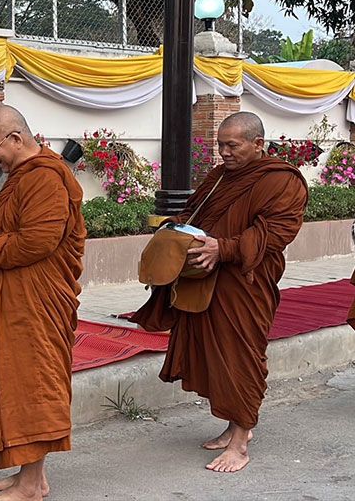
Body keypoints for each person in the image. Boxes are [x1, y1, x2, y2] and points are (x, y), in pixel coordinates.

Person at [131, 111, 308, 473]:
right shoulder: (220, 177)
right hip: (206, 283)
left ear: (258, 144)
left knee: (239, 356)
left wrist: (222, 249)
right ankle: (233, 427)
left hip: (244, 284)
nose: (224, 153)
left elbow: (275, 233)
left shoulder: (281, 181)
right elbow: (198, 213)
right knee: (217, 358)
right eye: (220, 145)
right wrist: (178, 230)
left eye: (232, 145)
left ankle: (241, 444)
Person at [0, 106, 86, 501]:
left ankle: (31, 485)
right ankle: (31, 477)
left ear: (16, 138)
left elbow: (38, 241)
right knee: (15, 383)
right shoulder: (22, 176)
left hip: (36, 300)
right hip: (16, 294)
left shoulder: (45, 177)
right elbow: (16, 228)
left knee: (31, 385)